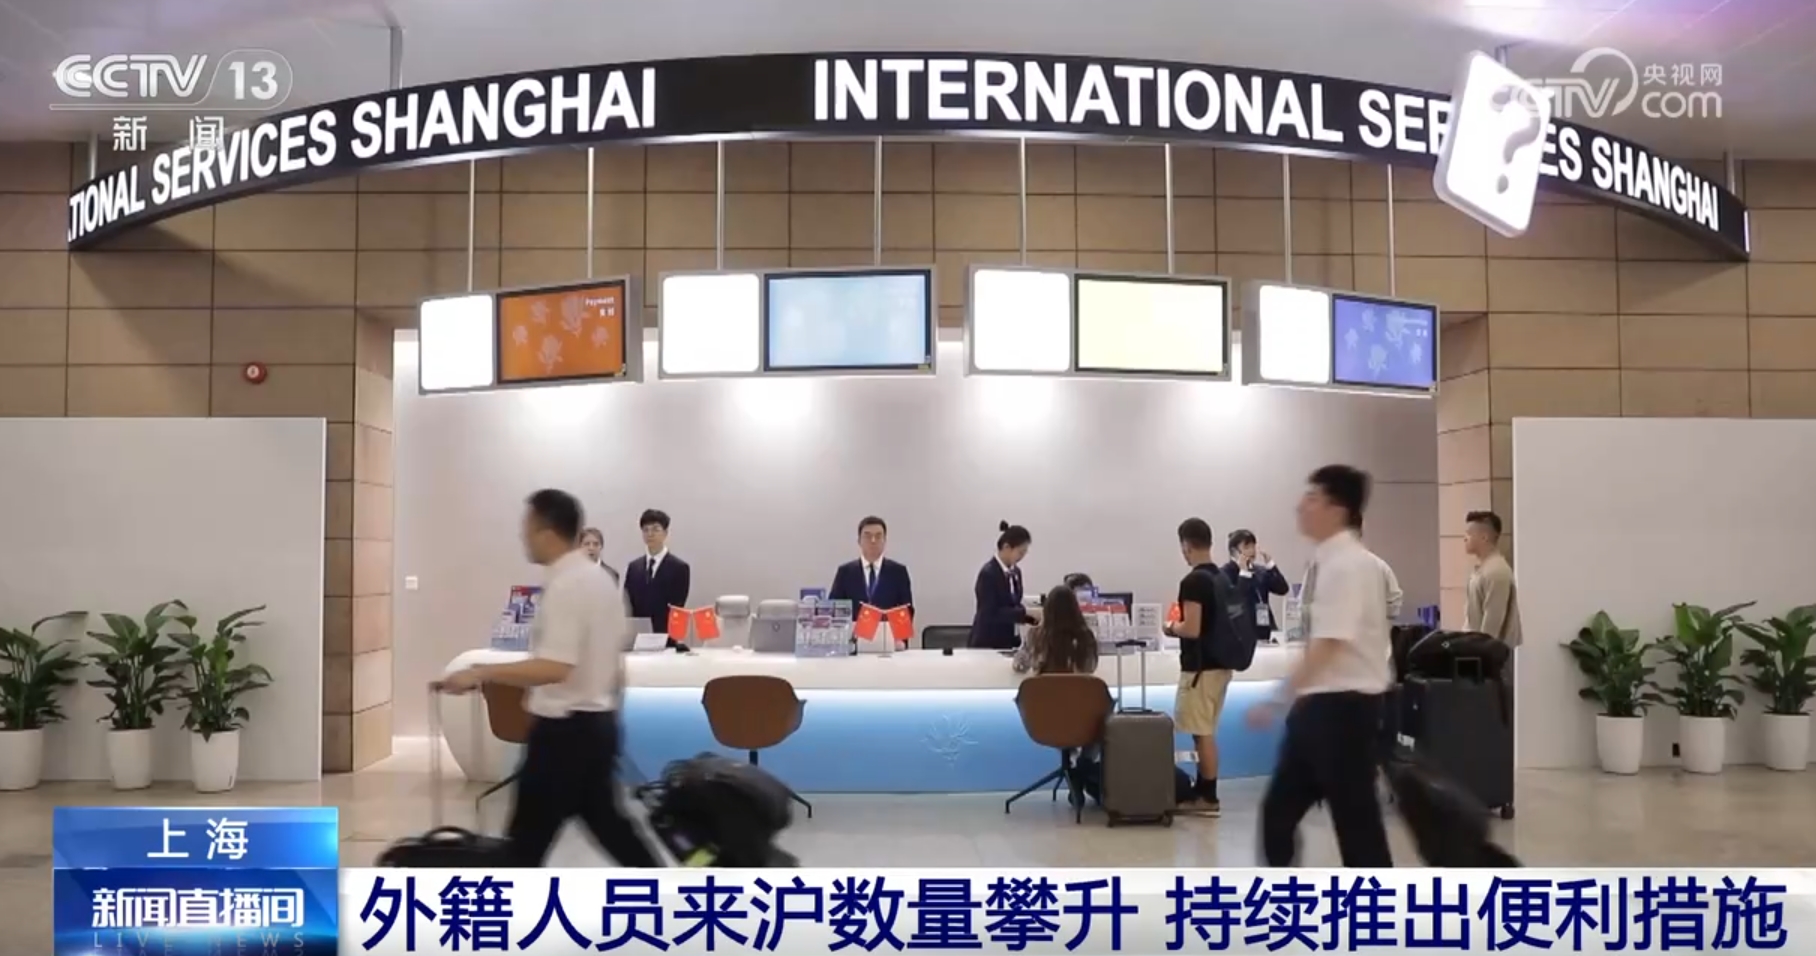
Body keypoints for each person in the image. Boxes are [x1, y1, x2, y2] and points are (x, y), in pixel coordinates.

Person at [434, 489, 659, 868]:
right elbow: (615, 667)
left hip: (564, 735)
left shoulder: (567, 586)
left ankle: (504, 905)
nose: (523, 536)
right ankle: (671, 891)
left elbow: (555, 667)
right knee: (612, 829)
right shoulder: (600, 582)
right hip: (595, 727)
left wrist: (480, 673)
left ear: (548, 532)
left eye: (528, 528)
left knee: (526, 845)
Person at [1248, 465, 1395, 867]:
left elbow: (1329, 643)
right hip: (1323, 709)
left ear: (1336, 509)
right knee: (1280, 815)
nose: (1301, 506)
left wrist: (1278, 698)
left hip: (1343, 712)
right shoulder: (1333, 560)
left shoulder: (1347, 565)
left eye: (1312, 498)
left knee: (1357, 829)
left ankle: (1379, 902)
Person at [1164, 518, 1236, 817]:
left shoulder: (1193, 582)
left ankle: (1207, 795)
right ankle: (1205, 790)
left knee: (1201, 733)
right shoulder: (1222, 578)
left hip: (1201, 670)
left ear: (1185, 545)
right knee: (1206, 731)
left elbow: (1192, 629)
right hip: (1221, 666)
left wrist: (1170, 627)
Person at [829, 516, 914, 651]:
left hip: (890, 646)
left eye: (878, 536)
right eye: (868, 536)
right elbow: (834, 608)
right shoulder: (845, 572)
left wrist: (900, 639)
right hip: (854, 646)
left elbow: (906, 609)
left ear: (885, 541)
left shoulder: (898, 572)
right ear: (859, 541)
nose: (873, 541)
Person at [623, 509, 691, 647]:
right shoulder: (634, 567)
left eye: (655, 529)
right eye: (646, 530)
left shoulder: (679, 568)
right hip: (638, 638)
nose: (650, 534)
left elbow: (677, 607)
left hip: (666, 639)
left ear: (665, 533)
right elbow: (629, 603)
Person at [970, 521, 1035, 649]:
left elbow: (1013, 605)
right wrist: (1025, 612)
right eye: (1020, 553)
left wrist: (1032, 618)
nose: (1022, 557)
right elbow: (991, 613)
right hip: (988, 643)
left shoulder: (1016, 572)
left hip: (1009, 641)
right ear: (1006, 547)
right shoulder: (988, 574)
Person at [1014, 581, 1100, 675]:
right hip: (1075, 685)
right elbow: (1090, 668)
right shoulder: (1085, 636)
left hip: (1044, 685)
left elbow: (1020, 665)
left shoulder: (1035, 636)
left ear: (1047, 610)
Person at [1223, 530, 1291, 643]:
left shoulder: (1259, 571)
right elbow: (1236, 599)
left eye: (1253, 546)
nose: (1252, 551)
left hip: (1265, 631)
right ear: (1234, 552)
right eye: (1247, 547)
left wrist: (1271, 565)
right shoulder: (1225, 573)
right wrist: (1244, 573)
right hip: (1241, 635)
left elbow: (1282, 589)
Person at [1464, 510, 1520, 646]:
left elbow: (1492, 625)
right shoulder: (1483, 569)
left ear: (1484, 537)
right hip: (1476, 648)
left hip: (1488, 653)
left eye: (1469, 534)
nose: (1465, 538)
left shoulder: (1496, 571)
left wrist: (1480, 651)